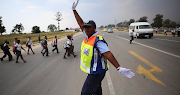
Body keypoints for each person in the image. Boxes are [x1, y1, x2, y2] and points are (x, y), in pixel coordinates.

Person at [72, 0, 135, 95]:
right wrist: (74, 10)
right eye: (85, 27)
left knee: (85, 93)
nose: (86, 29)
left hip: (96, 73)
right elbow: (81, 23)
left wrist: (119, 68)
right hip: (94, 71)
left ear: (94, 28)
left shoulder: (98, 40)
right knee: (97, 91)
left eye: (89, 27)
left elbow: (108, 53)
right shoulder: (88, 36)